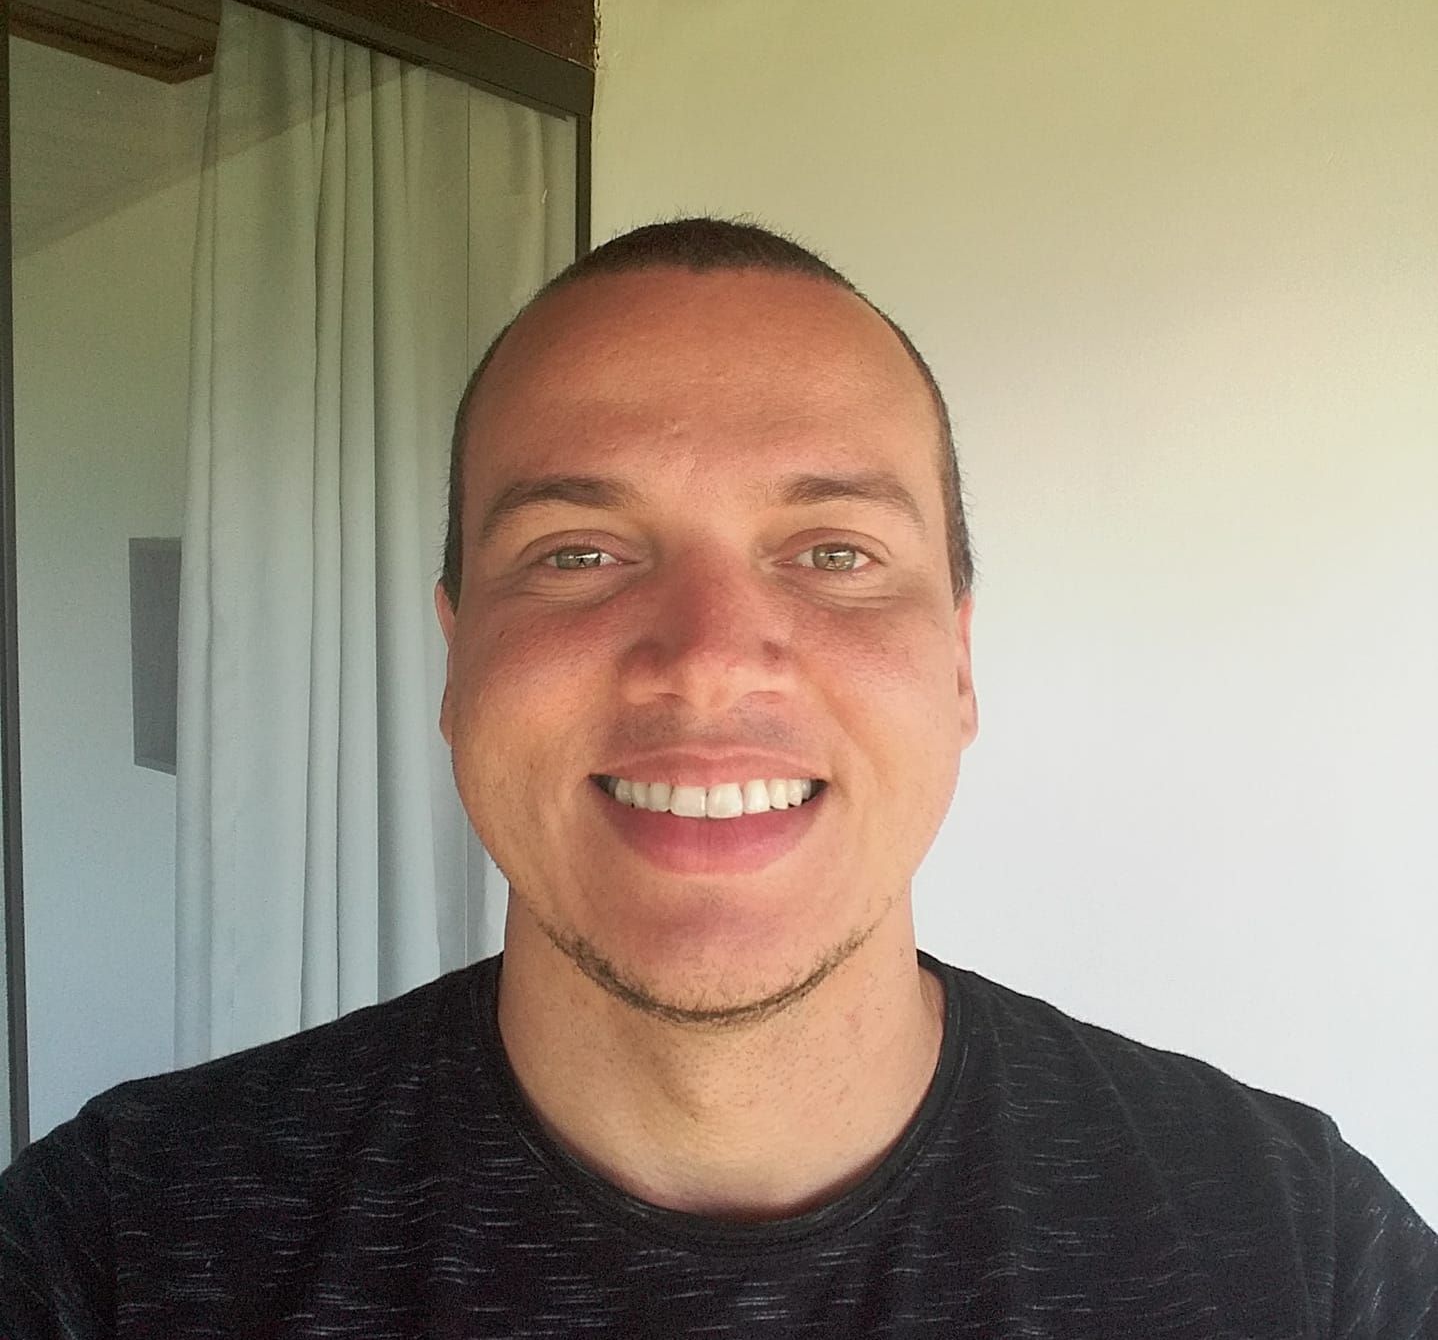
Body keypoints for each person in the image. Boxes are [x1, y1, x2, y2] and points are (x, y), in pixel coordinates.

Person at [2, 218, 1434, 1337]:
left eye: (833, 553)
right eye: (575, 553)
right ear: (454, 657)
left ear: (956, 663)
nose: (703, 663)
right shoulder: (121, 1246)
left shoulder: (1296, 1252)